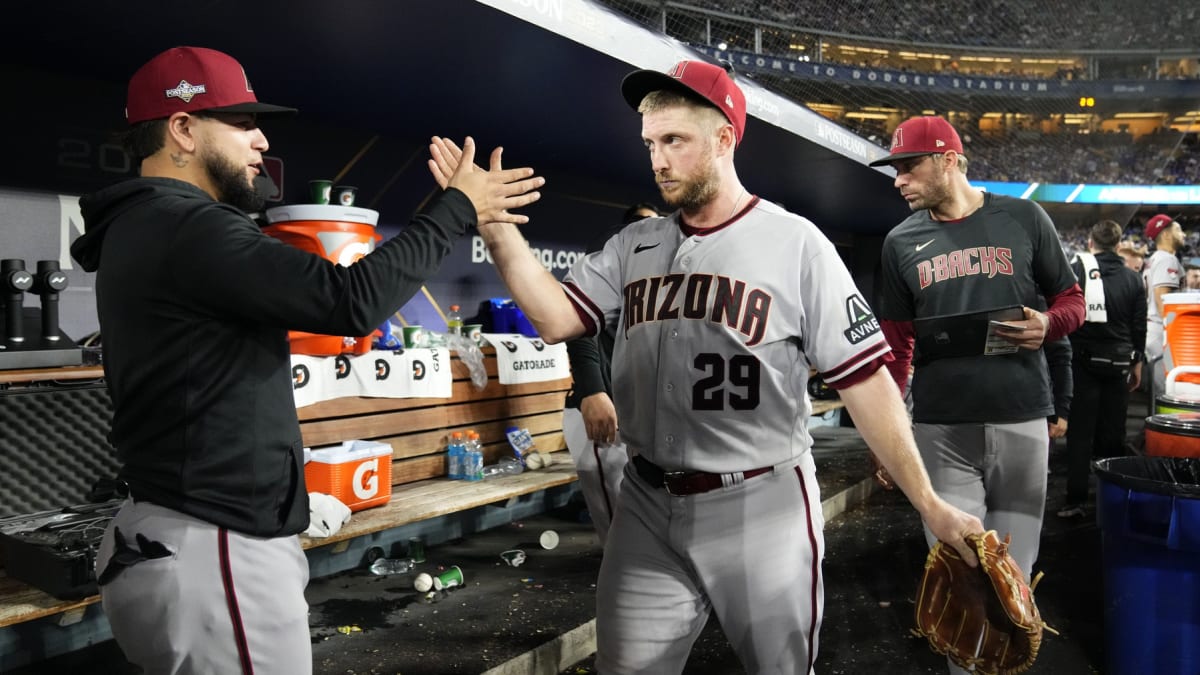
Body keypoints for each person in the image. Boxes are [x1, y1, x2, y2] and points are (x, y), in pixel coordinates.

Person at [429, 60, 983, 674]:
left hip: (761, 505)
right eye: (650, 143)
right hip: (646, 502)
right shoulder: (632, 246)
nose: (657, 161)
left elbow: (865, 380)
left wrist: (929, 502)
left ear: (724, 140)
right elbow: (558, 318)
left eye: (674, 141)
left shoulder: (796, 243)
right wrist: (495, 225)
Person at [70, 46, 543, 675]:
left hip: (180, 533)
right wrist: (456, 206)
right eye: (240, 122)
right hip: (215, 545)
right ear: (182, 129)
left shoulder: (147, 225)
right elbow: (350, 300)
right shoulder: (187, 226)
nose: (261, 138)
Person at [870, 115, 1084, 675]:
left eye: (908, 166)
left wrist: (1049, 325)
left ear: (948, 158)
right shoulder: (900, 241)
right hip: (940, 426)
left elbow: (1071, 299)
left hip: (1020, 415)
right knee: (960, 570)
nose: (898, 181)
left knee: (1015, 571)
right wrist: (887, 440)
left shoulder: (1023, 216)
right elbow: (895, 351)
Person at [562, 202, 662, 546]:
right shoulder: (615, 252)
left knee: (644, 524)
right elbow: (580, 331)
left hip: (639, 415)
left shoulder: (656, 274)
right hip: (601, 411)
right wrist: (591, 390)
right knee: (619, 532)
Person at [1058, 220, 1147, 518]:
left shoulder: (1077, 272)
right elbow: (1139, 328)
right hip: (1119, 365)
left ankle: (1075, 500)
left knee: (1080, 433)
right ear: (1119, 245)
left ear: (1090, 243)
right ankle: (1114, 502)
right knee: (1113, 434)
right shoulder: (1134, 279)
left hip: (1081, 364)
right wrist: (1138, 364)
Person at [1142, 213, 1184, 396]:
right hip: (1162, 333)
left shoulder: (1154, 259)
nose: (1183, 234)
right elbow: (1162, 298)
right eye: (1178, 229)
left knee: (1162, 389)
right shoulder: (1167, 259)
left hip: (1154, 330)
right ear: (1166, 234)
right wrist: (1171, 335)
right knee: (1168, 390)